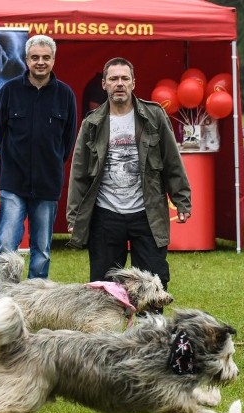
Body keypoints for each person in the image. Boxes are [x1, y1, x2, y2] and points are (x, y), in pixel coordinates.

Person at [67, 58, 191, 289]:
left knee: (152, 285)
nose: (120, 84)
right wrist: (74, 216)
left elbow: (171, 160)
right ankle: (108, 327)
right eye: (114, 79)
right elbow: (79, 173)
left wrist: (181, 200)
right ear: (104, 84)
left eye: (125, 78)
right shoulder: (92, 123)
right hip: (105, 214)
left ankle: (150, 326)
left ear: (134, 83)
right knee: (104, 288)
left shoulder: (154, 116)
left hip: (147, 212)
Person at [0, 34, 77, 304]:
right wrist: (12, 166)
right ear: (26, 60)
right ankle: (0, 300)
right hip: (13, 183)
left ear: (53, 60)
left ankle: (33, 303)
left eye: (45, 57)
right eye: (35, 57)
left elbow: (67, 141)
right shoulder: (9, 91)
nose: (40, 62)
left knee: (42, 250)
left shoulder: (65, 95)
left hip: (47, 186)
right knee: (6, 244)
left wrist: (48, 165)